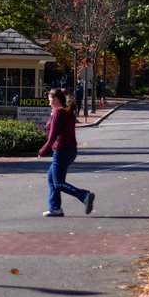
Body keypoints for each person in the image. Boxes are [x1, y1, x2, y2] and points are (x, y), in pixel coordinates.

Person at [39, 87, 94, 217]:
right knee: (52, 178)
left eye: (50, 100)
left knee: (58, 183)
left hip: (62, 150)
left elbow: (53, 135)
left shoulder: (59, 113)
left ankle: (84, 195)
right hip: (70, 150)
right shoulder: (66, 112)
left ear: (56, 99)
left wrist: (43, 149)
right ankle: (55, 208)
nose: (49, 102)